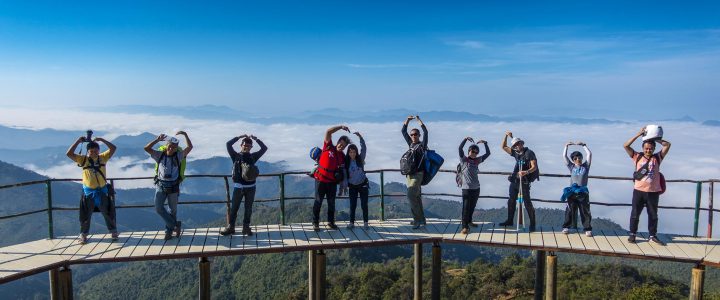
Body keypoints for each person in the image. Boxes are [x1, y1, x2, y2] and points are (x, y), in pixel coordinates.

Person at [66, 134, 118, 244]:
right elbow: (69, 154)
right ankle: (83, 235)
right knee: (86, 215)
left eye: (95, 151)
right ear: (87, 151)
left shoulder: (103, 158)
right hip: (89, 192)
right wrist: (78, 141)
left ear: (99, 150)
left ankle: (113, 232)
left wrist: (102, 139)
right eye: (91, 151)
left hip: (102, 191)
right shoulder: (83, 159)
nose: (93, 153)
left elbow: (113, 148)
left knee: (107, 212)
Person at [624, 127, 671, 245]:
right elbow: (626, 146)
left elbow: (667, 145)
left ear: (654, 148)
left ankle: (652, 236)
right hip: (639, 190)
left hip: (653, 191)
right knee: (635, 214)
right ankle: (632, 234)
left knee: (653, 215)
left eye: (650, 148)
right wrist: (638, 134)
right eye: (646, 148)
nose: (648, 150)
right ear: (643, 148)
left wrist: (655, 138)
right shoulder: (637, 157)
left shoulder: (657, 158)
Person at [144, 131, 193, 240]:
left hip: (174, 185)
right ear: (166, 146)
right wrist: (157, 140)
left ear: (176, 148)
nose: (171, 149)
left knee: (173, 210)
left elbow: (190, 147)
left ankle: (169, 231)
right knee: (158, 208)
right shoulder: (159, 155)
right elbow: (146, 148)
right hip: (161, 184)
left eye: (174, 147)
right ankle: (174, 224)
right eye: (170, 146)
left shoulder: (179, 156)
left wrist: (185, 135)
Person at [221, 134, 268, 236]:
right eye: (245, 145)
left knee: (248, 209)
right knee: (234, 208)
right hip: (239, 187)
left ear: (251, 147)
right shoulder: (235, 156)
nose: (246, 147)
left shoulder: (253, 156)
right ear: (241, 145)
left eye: (249, 146)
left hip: (251, 187)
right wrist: (239, 137)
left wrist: (256, 139)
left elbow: (264, 148)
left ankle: (245, 228)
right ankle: (231, 227)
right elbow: (228, 144)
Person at [498, 131, 538, 232]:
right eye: (514, 145)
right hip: (515, 180)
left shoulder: (529, 153)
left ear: (522, 143)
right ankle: (510, 220)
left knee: (527, 202)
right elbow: (503, 146)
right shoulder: (516, 153)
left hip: (524, 181)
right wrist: (506, 135)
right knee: (511, 200)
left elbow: (534, 167)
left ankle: (532, 224)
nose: (516, 146)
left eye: (517, 144)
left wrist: (526, 172)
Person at [313, 125, 350, 231]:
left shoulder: (342, 157)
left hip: (332, 183)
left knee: (331, 203)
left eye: (343, 146)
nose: (341, 147)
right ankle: (315, 223)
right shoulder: (328, 146)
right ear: (338, 142)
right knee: (318, 202)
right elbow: (328, 131)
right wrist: (341, 127)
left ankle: (330, 222)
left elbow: (345, 170)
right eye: (340, 144)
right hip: (320, 179)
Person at [458, 137, 491, 234]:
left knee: (472, 207)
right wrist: (465, 139)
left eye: (476, 152)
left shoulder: (477, 160)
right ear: (469, 151)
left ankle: (469, 221)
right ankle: (464, 227)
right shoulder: (463, 160)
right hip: (467, 189)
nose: (474, 153)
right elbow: (460, 149)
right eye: (473, 151)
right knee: (466, 208)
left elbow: (488, 154)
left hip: (476, 188)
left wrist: (485, 143)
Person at [402, 115, 428, 229]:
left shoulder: (422, 145)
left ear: (419, 135)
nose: (413, 136)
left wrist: (419, 121)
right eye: (412, 134)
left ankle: (417, 220)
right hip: (410, 174)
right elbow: (403, 131)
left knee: (411, 195)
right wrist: (407, 120)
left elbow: (426, 132)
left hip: (418, 175)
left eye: (415, 134)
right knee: (416, 197)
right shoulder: (410, 144)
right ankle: (421, 220)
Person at [561, 142, 593, 237]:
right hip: (572, 192)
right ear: (573, 160)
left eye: (579, 157)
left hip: (583, 192)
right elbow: (564, 156)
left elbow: (589, 154)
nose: (577, 159)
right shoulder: (571, 167)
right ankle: (566, 226)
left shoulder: (586, 166)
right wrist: (566, 146)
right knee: (570, 210)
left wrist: (584, 145)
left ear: (582, 158)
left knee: (585, 211)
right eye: (575, 158)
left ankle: (587, 228)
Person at [343, 131, 369, 229]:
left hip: (363, 184)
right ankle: (351, 223)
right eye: (350, 152)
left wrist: (360, 137)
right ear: (348, 152)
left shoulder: (360, 159)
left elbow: (364, 148)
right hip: (352, 186)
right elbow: (344, 175)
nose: (352, 154)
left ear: (356, 152)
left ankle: (366, 222)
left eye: (354, 152)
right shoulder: (346, 162)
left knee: (364, 204)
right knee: (352, 205)